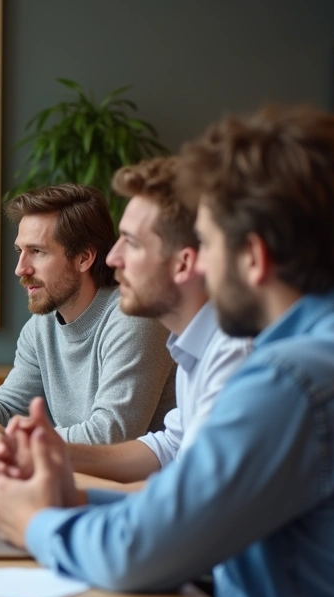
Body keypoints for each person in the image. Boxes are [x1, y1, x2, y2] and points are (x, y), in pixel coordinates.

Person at [0, 106, 334, 597]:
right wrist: (71, 497)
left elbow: (139, 551)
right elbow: (188, 500)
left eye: (206, 243)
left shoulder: (291, 380)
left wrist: (34, 523)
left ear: (251, 257)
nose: (198, 266)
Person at [0, 184, 175, 455]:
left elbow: (112, 435)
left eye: (38, 252)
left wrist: (13, 443)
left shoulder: (135, 319)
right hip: (78, 483)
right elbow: (7, 416)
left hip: (143, 491)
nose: (21, 269)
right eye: (20, 251)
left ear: (84, 257)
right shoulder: (40, 327)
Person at [65, 157, 251, 482]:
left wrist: (41, 516)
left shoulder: (235, 355)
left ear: (183, 264)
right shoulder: (192, 344)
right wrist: (55, 452)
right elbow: (168, 447)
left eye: (132, 243)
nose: (111, 258)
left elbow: (192, 505)